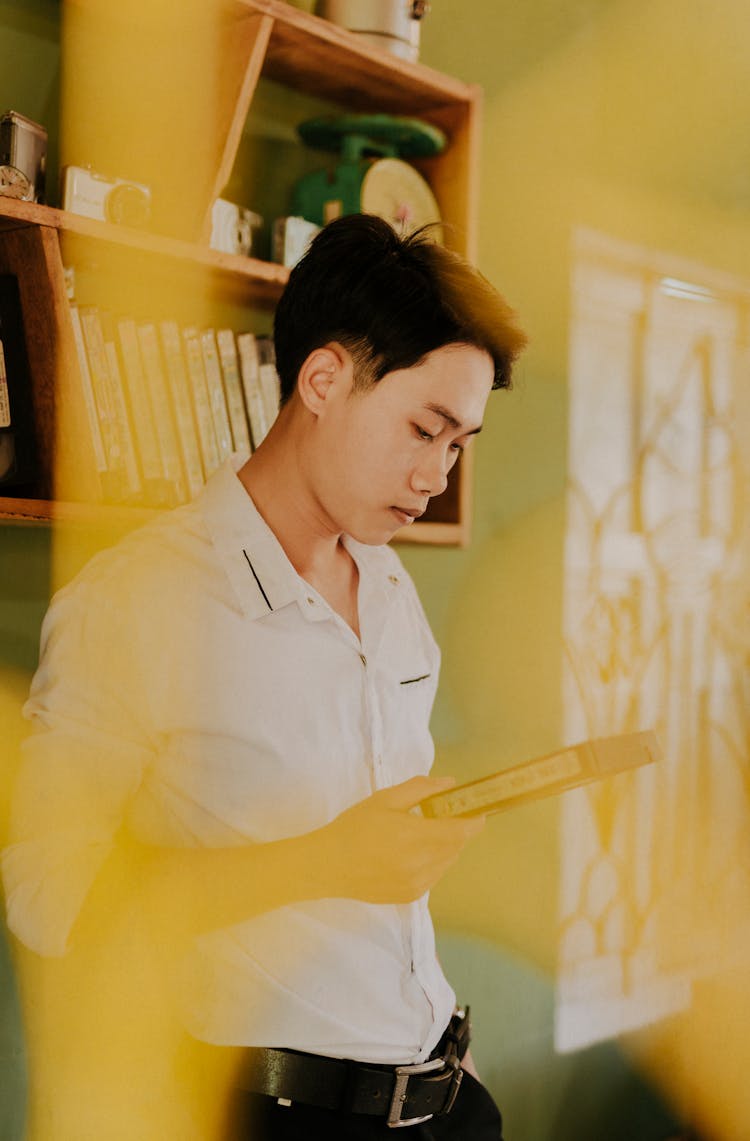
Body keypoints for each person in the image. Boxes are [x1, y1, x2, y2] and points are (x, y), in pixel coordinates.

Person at [2, 214, 526, 1139]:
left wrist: (448, 1054)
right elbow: (49, 891)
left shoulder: (394, 589)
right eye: (423, 428)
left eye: (459, 444)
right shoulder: (140, 599)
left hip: (443, 1093)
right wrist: (323, 861)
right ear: (322, 379)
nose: (437, 477)